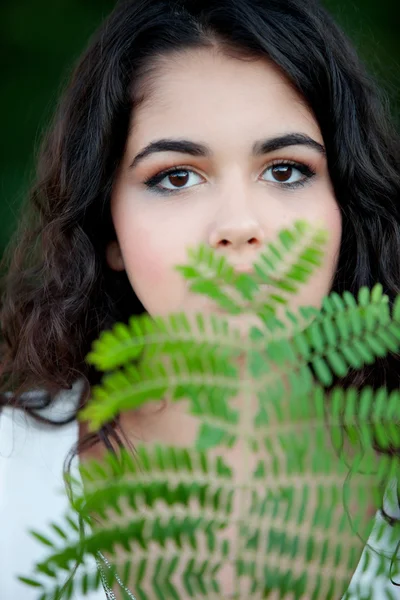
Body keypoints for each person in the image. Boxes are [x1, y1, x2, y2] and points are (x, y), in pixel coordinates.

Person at [0, 0, 399, 598]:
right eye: (176, 176)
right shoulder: (10, 475)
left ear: (347, 206)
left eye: (287, 170)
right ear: (107, 229)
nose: (238, 224)